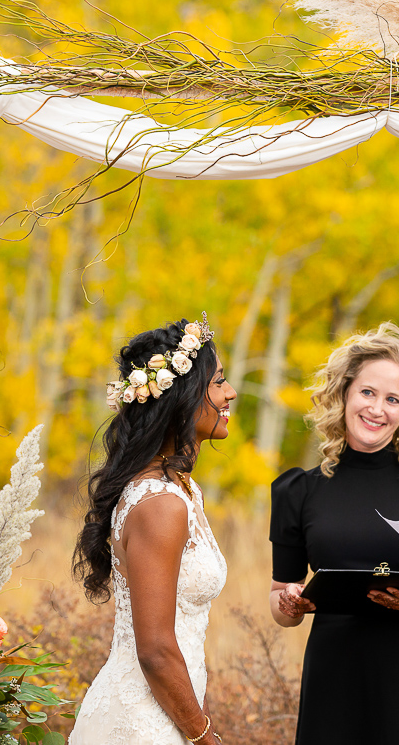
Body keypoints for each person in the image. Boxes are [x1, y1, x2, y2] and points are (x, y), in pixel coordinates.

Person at [268, 322, 399, 745]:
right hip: (336, 681)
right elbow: (278, 601)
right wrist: (289, 605)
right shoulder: (298, 490)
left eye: (392, 399)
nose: (377, 409)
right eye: (367, 392)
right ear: (344, 393)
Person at [70, 316, 237, 745]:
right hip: (142, 723)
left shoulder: (181, 488)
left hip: (168, 712)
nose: (230, 393)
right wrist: (202, 736)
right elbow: (156, 650)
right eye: (218, 382)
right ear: (182, 397)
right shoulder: (160, 504)